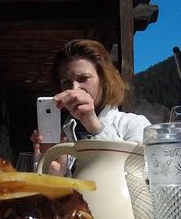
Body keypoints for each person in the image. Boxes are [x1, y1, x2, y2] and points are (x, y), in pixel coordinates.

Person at [32, 39, 151, 174]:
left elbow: (139, 179)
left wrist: (95, 127)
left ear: (104, 80)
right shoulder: (62, 135)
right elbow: (52, 190)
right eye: (66, 82)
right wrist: (52, 169)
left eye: (83, 78)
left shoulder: (135, 124)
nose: (74, 88)